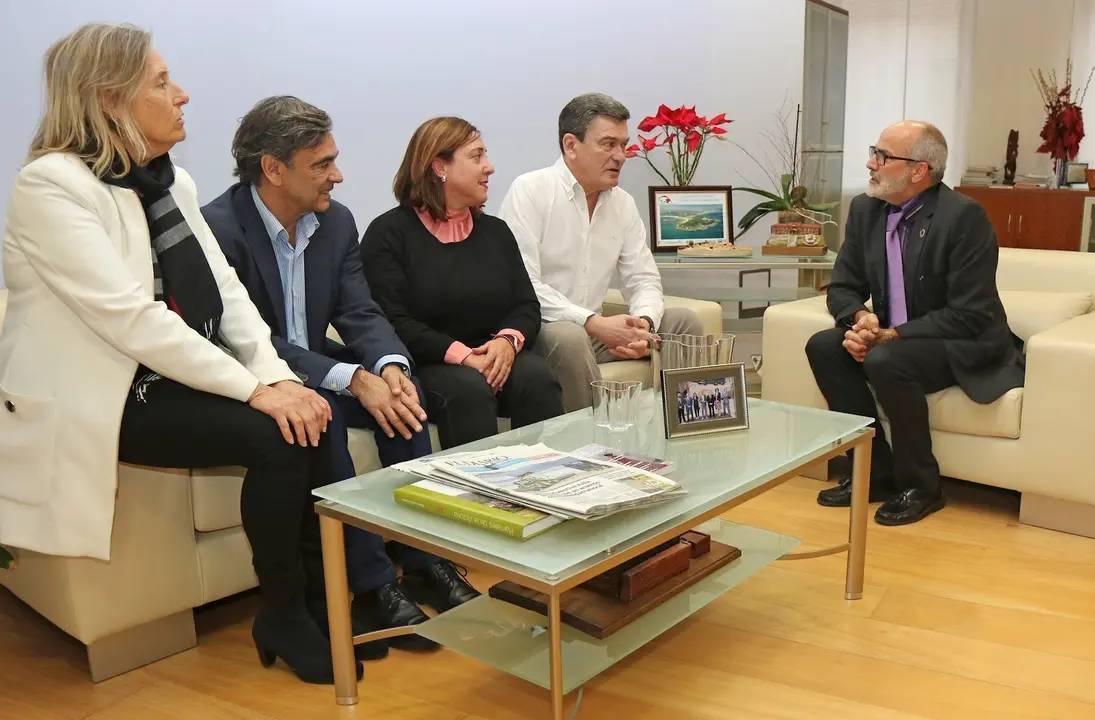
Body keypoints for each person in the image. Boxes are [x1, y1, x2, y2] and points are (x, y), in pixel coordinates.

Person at [0, 23, 355, 685]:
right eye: (162, 83)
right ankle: (285, 613)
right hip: (105, 394)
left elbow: (228, 293)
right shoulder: (49, 187)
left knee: (303, 416)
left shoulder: (171, 183)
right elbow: (131, 320)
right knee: (275, 434)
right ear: (109, 100)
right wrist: (255, 391)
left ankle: (311, 601)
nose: (182, 95)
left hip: (164, 377)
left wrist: (278, 378)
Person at [202, 97, 478, 659]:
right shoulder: (218, 229)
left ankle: (426, 562)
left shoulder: (336, 221)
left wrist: (389, 366)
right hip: (256, 377)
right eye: (322, 164)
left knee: (404, 400)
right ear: (273, 169)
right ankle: (373, 587)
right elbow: (249, 338)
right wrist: (349, 378)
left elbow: (359, 311)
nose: (338, 175)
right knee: (322, 416)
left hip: (315, 364)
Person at [806, 121, 1024, 526]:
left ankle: (922, 487)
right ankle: (873, 473)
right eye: (873, 152)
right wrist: (861, 320)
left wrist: (890, 336)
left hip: (963, 340)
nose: (871, 163)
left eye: (882, 156)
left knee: (886, 360)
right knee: (823, 346)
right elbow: (842, 287)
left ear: (918, 171)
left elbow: (969, 313)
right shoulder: (866, 210)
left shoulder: (964, 217)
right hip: (897, 338)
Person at [360, 117, 565, 449]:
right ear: (440, 166)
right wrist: (464, 356)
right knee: (469, 390)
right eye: (477, 156)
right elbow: (393, 321)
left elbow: (526, 305)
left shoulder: (495, 231)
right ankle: (481, 484)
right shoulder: (388, 234)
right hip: (428, 362)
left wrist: (507, 342)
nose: (490, 167)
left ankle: (548, 475)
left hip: (493, 353)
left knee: (537, 377)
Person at [498, 92, 705, 412]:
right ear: (571, 145)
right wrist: (593, 323)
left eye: (623, 145)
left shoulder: (622, 203)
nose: (620, 156)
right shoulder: (531, 191)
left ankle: (682, 425)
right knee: (569, 336)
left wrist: (644, 325)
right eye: (608, 144)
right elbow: (523, 286)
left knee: (683, 323)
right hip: (543, 330)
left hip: (594, 332)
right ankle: (588, 438)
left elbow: (643, 279)